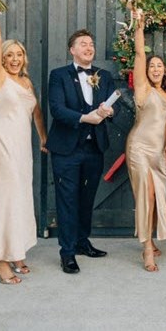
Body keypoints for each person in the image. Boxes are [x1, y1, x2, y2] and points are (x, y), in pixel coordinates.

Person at [0, 0, 47, 285]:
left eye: (18, 54)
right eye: (9, 55)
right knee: (5, 198)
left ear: (24, 58)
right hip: (1, 143)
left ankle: (17, 251)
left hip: (23, 147)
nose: (13, 58)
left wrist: (43, 138)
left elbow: (35, 113)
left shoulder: (26, 80)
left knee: (21, 196)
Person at [46, 28, 116, 274]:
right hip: (67, 150)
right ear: (72, 50)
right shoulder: (59, 76)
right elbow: (57, 109)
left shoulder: (104, 76)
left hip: (94, 148)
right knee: (67, 201)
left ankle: (82, 241)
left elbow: (108, 104)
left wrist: (108, 111)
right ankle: (67, 253)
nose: (89, 47)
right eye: (83, 44)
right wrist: (85, 117)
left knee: (87, 200)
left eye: (91, 44)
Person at [126, 10, 166, 272]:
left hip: (158, 152)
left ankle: (151, 238)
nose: (156, 69)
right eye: (152, 66)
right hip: (140, 149)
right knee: (146, 196)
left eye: (160, 66)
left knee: (156, 198)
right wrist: (139, 26)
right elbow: (139, 54)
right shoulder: (142, 89)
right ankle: (146, 249)